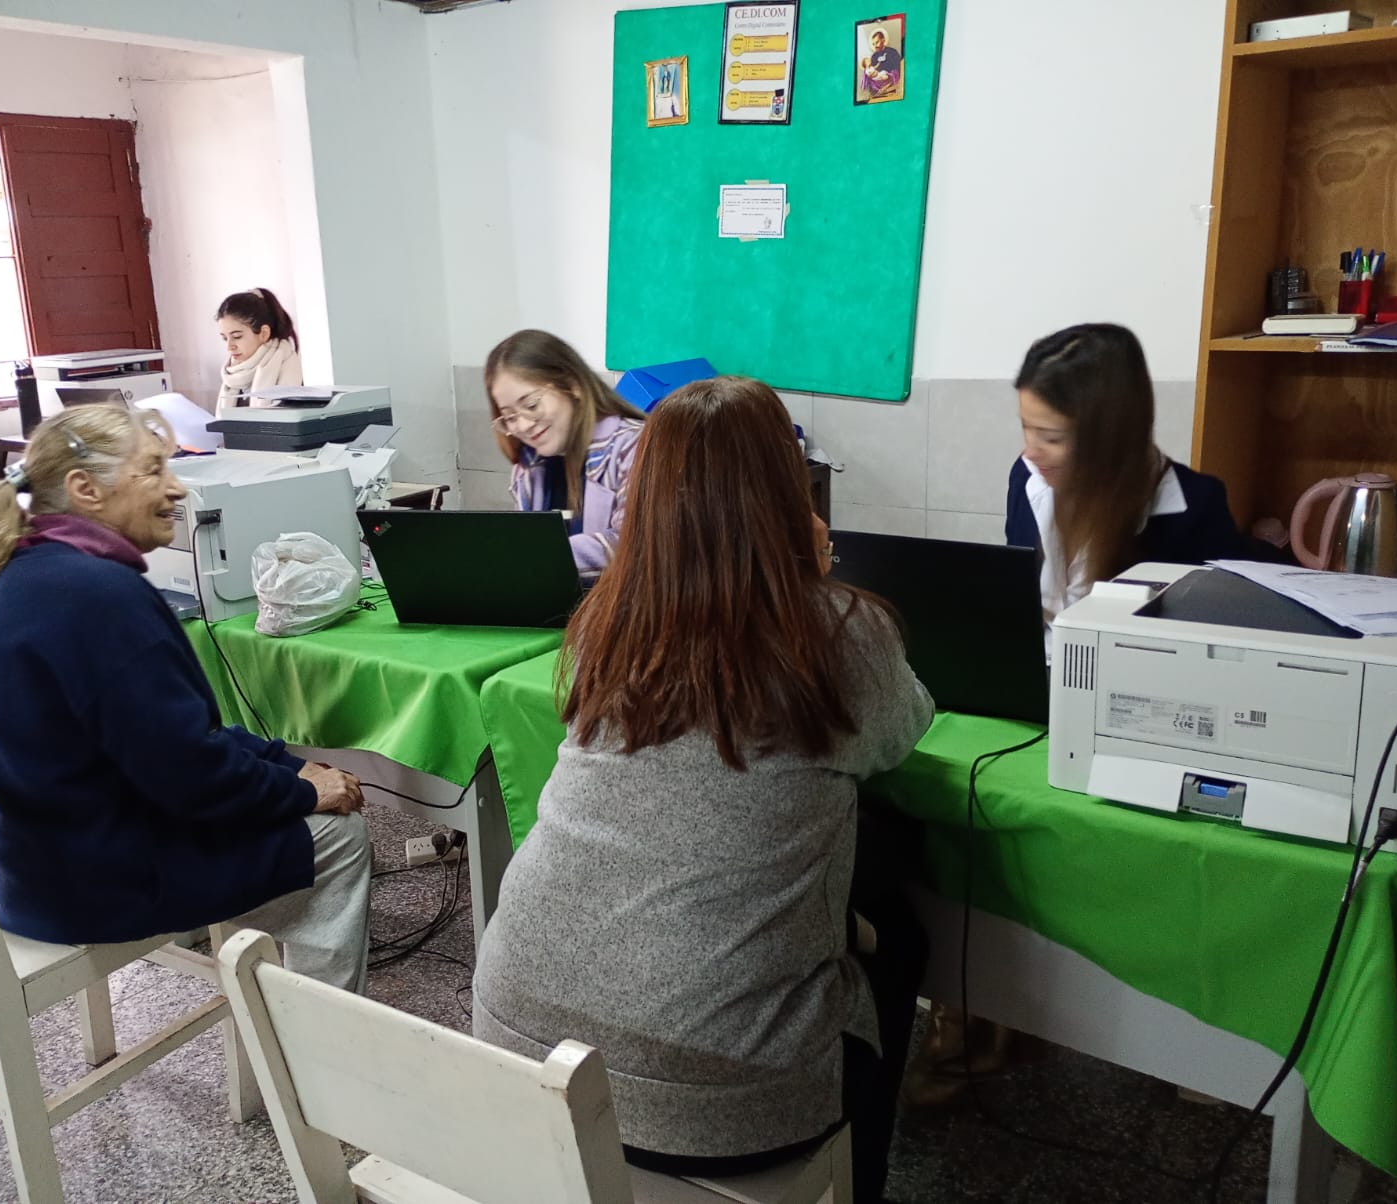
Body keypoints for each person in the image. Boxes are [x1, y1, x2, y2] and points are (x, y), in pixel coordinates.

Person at [472, 376, 934, 1202]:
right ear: (789, 489)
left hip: (514, 1038)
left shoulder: (605, 623)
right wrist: (815, 579)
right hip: (717, 1102)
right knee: (898, 931)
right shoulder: (839, 633)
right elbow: (903, 729)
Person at [0, 405, 372, 992]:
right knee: (340, 838)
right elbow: (192, 774)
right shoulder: (100, 594)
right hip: (95, 884)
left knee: (281, 801)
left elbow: (175, 735)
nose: (176, 489)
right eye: (153, 471)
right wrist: (303, 791)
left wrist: (287, 763)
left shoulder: (34, 573)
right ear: (85, 489)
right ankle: (317, 1036)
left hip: (37, 864)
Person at [1006, 322, 1252, 629]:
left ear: (1111, 437)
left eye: (1051, 438)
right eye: (1026, 428)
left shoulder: (1195, 510)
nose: (1030, 451)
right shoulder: (1026, 477)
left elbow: (1211, 634)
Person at [484, 329, 645, 577]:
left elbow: (632, 544)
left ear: (573, 385)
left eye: (531, 405)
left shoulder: (633, 445)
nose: (523, 426)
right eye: (510, 417)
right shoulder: (528, 465)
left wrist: (533, 555)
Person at [215, 287, 302, 416]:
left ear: (264, 333)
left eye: (237, 336)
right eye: (224, 338)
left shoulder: (289, 366)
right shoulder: (233, 374)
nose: (229, 346)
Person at [860, 28, 902, 98]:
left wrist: (887, 85)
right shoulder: (873, 56)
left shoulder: (892, 52)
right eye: (873, 44)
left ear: (883, 40)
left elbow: (898, 70)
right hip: (878, 87)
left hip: (891, 84)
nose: (875, 46)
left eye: (877, 42)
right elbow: (872, 75)